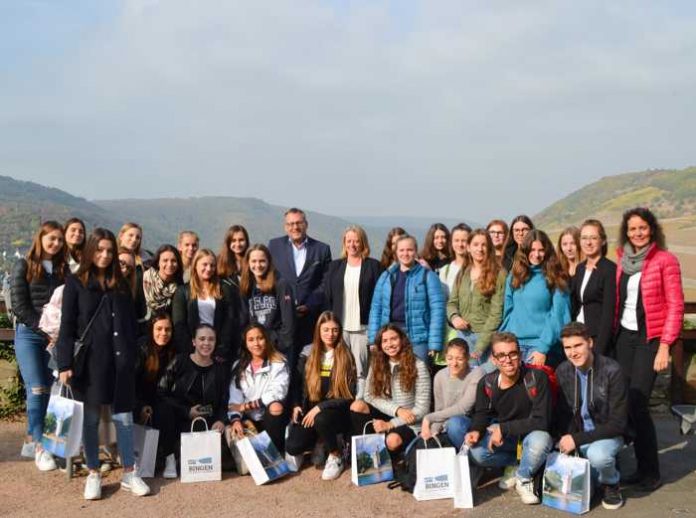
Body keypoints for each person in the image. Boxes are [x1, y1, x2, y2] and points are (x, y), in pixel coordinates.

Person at [57, 228, 150, 499]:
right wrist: (64, 364)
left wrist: (133, 353)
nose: (105, 255)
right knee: (91, 420)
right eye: (100, 249)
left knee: (124, 419)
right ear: (90, 251)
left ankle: (130, 473)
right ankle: (94, 473)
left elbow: (131, 323)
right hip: (90, 363)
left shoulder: (121, 283)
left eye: (110, 250)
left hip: (121, 362)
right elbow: (67, 327)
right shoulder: (75, 283)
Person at [614, 207, 684, 491]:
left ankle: (651, 472)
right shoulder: (623, 260)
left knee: (638, 403)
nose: (637, 233)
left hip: (649, 339)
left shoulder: (665, 260)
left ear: (652, 230)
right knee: (623, 401)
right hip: (624, 338)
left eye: (642, 228)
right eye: (632, 229)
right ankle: (636, 465)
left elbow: (676, 306)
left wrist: (665, 345)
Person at [465, 332, 553, 505]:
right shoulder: (487, 382)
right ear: (494, 359)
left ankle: (523, 477)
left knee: (541, 439)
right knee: (476, 453)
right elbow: (482, 413)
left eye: (512, 353)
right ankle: (515, 463)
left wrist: (503, 428)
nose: (508, 360)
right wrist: (476, 430)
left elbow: (542, 421)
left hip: (530, 435)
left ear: (520, 356)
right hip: (507, 439)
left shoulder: (536, 378)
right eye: (501, 355)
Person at [11, 221, 66, 470]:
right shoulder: (23, 265)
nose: (55, 243)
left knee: (52, 392)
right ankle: (40, 448)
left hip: (54, 338)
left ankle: (44, 440)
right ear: (40, 238)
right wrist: (44, 328)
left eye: (59, 240)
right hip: (30, 336)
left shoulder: (62, 269)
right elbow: (19, 305)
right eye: (51, 238)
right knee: (36, 389)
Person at [554, 322, 627, 510]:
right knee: (580, 493)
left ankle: (611, 483)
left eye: (578, 345)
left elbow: (618, 424)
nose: (573, 352)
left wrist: (576, 440)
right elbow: (562, 413)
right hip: (580, 437)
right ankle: (598, 471)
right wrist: (564, 441)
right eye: (567, 348)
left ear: (590, 343)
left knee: (599, 455)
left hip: (608, 435)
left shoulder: (612, 371)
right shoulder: (563, 370)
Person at [286, 311, 356, 480]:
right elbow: (296, 383)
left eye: (335, 330)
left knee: (321, 419)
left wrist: (320, 408)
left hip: (335, 410)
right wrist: (296, 404)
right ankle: (321, 439)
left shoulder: (346, 355)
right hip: (310, 408)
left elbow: (349, 395)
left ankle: (335, 454)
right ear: (318, 330)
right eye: (326, 330)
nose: (330, 334)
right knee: (293, 447)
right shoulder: (307, 352)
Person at [157, 324, 229, 478]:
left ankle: (184, 458)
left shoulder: (220, 369)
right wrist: (186, 411)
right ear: (194, 342)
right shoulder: (179, 361)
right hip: (179, 419)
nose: (206, 343)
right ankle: (170, 458)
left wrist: (221, 420)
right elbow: (161, 392)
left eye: (211, 339)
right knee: (164, 410)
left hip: (208, 420)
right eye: (202, 339)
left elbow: (225, 400)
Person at [351, 324, 431, 456]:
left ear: (402, 340)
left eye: (394, 339)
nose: (390, 344)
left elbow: (422, 409)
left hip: (410, 420)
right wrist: (397, 410)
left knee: (393, 441)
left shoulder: (418, 365)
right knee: (357, 406)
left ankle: (392, 456)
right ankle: (370, 453)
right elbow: (369, 395)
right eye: (385, 341)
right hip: (389, 411)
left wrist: (391, 424)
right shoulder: (377, 362)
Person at [322, 226, 382, 398]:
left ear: (363, 242)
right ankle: (340, 399)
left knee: (361, 370)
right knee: (339, 367)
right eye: (349, 241)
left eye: (356, 241)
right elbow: (328, 297)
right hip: (340, 328)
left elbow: (379, 299)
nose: (353, 244)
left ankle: (360, 401)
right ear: (344, 243)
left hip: (363, 328)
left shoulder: (374, 266)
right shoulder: (334, 267)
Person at [368, 235, 445, 361]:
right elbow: (376, 309)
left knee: (419, 376)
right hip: (390, 335)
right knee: (391, 376)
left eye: (409, 250)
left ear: (415, 251)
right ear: (396, 252)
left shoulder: (428, 276)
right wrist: (373, 339)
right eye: (402, 250)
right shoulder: (386, 277)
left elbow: (438, 310)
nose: (405, 253)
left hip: (418, 339)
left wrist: (434, 343)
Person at [500, 229, 571, 366]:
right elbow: (508, 313)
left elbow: (559, 316)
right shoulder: (514, 276)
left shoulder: (556, 277)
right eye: (532, 249)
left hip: (541, 348)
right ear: (525, 250)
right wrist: (502, 344)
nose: (536, 255)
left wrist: (542, 348)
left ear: (548, 251)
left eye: (541, 250)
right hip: (515, 348)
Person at [268, 208, 331, 349]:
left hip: (310, 319)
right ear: (285, 227)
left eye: (298, 223)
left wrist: (309, 305)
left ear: (306, 224)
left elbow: (325, 282)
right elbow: (270, 277)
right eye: (290, 224)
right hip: (282, 319)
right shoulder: (274, 246)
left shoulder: (322, 249)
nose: (295, 227)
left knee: (308, 364)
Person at [447, 229, 506, 366]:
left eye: (484, 245)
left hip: (487, 337)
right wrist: (454, 317)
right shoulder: (463, 272)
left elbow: (496, 314)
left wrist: (481, 345)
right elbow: (452, 303)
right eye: (476, 244)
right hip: (463, 336)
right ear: (468, 247)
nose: (480, 249)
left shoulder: (499, 273)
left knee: (486, 381)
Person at [227, 324, 290, 453]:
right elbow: (235, 400)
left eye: (260, 338)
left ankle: (276, 452)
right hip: (249, 421)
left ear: (266, 339)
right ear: (245, 343)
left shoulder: (279, 362)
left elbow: (277, 392)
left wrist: (247, 406)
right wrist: (236, 420)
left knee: (275, 406)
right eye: (251, 340)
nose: (256, 343)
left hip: (270, 419)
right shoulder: (238, 366)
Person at [172, 249, 240, 362]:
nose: (208, 269)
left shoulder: (224, 290)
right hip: (191, 353)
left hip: (217, 353)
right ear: (195, 265)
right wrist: (191, 352)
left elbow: (230, 321)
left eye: (212, 265)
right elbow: (179, 325)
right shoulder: (182, 291)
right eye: (205, 264)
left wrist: (221, 350)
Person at [134, 312, 177, 477]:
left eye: (168, 330)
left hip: (163, 398)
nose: (164, 334)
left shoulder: (174, 350)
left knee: (166, 411)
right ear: (151, 330)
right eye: (159, 329)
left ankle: (169, 458)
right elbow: (132, 383)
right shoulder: (142, 348)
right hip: (141, 398)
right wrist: (140, 406)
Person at [420, 338, 485, 449]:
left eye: (459, 359)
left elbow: (464, 408)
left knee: (454, 423)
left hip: (469, 423)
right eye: (450, 358)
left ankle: (470, 456)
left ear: (467, 358)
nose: (454, 363)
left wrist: (428, 418)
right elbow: (439, 410)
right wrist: (434, 432)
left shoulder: (477, 373)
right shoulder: (440, 376)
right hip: (446, 425)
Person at [239, 244, 296, 363]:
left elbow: (289, 323)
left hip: (278, 349)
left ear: (269, 262)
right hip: (254, 349)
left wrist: (277, 346)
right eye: (253, 261)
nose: (258, 265)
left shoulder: (281, 285)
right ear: (248, 263)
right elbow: (243, 320)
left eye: (262, 261)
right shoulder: (246, 287)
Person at [571, 219, 616, 356]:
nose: (588, 242)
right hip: (579, 335)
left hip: (597, 340)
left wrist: (598, 350)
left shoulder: (609, 269)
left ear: (602, 241)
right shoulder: (580, 269)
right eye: (584, 238)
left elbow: (608, 314)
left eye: (593, 238)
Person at [143, 244, 183, 318]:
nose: (170, 264)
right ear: (158, 262)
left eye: (173, 261)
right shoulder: (143, 279)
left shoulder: (179, 288)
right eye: (165, 260)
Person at [439, 223, 471, 296]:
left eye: (464, 241)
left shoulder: (477, 269)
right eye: (456, 240)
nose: (460, 245)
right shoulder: (445, 271)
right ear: (451, 243)